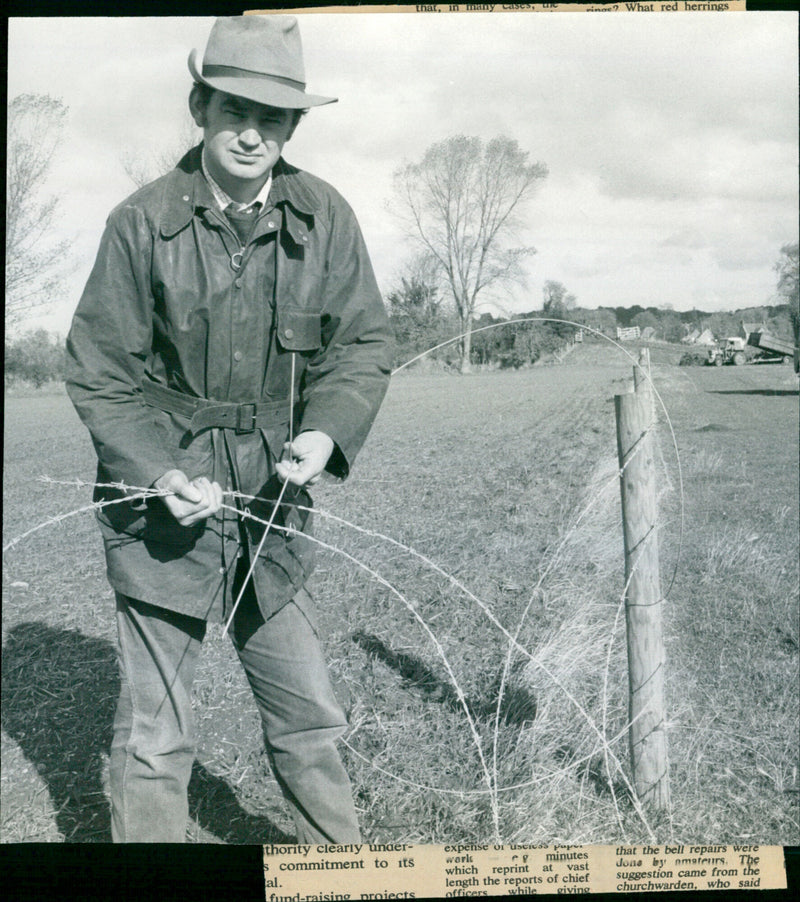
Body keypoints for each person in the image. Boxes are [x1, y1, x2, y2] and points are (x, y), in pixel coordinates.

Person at [66, 15, 393, 843]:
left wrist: (326, 432)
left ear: (291, 128)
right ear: (200, 108)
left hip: (272, 514)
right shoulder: (140, 222)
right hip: (162, 519)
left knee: (309, 718)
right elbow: (100, 372)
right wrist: (159, 475)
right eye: (235, 111)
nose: (252, 135)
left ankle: (344, 876)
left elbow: (362, 346)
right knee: (155, 739)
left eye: (272, 118)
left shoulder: (325, 217)